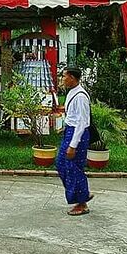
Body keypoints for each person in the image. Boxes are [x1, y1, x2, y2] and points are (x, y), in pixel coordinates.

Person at [56, 67, 93, 216]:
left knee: (73, 167)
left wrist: (73, 145)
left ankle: (82, 202)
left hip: (78, 134)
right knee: (62, 164)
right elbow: (73, 116)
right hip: (70, 131)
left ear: (72, 77)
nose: (62, 79)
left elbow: (82, 122)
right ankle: (83, 193)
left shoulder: (81, 96)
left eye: (64, 76)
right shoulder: (71, 92)